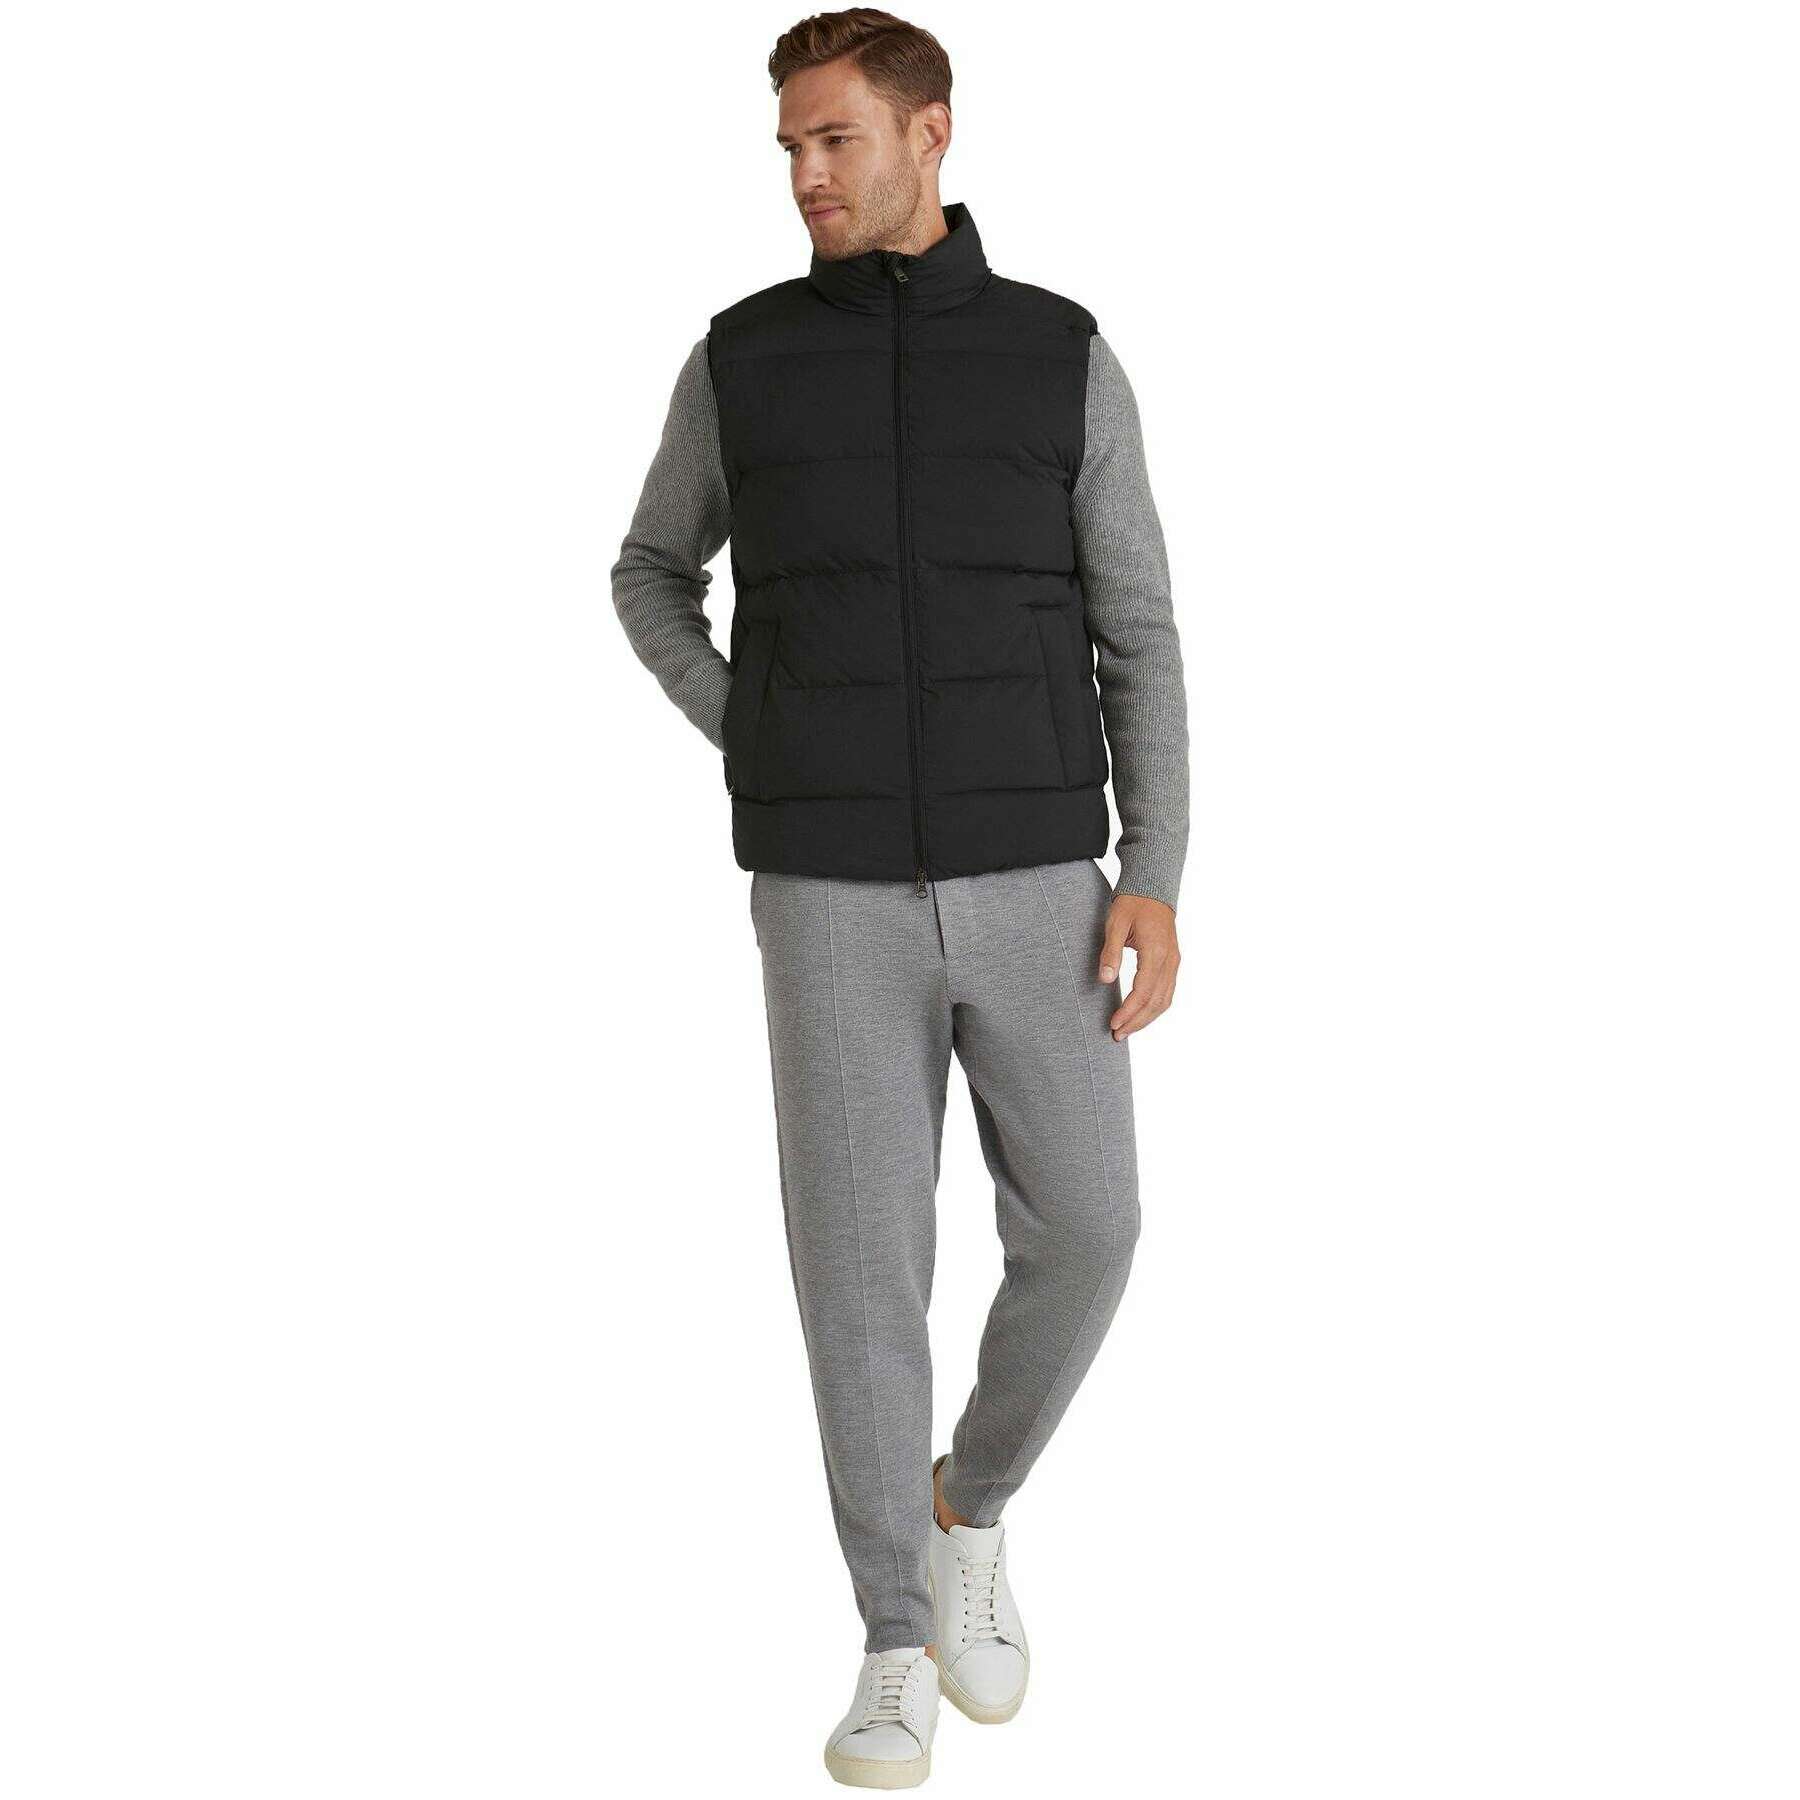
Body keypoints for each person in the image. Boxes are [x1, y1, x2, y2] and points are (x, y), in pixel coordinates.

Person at [610, 9, 1189, 1787]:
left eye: (834, 138)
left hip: (1041, 879)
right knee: (861, 1278)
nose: (806, 174)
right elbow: (648, 573)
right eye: (789, 146)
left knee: (1093, 1228)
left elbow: (1139, 630)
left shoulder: (1060, 354)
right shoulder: (743, 361)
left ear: (932, 133)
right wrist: (752, 728)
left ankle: (970, 1506)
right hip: (828, 895)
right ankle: (889, 1637)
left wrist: (1155, 873)